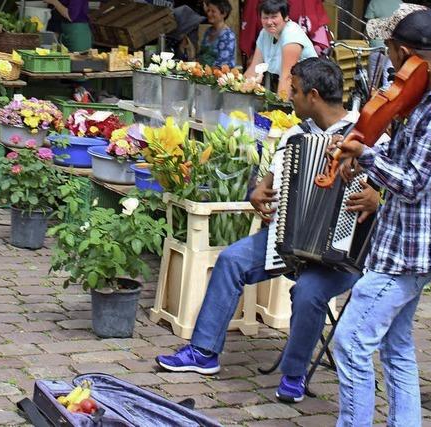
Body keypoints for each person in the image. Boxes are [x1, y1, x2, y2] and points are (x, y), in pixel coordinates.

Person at [156, 57, 383, 403]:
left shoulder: (368, 134)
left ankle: (293, 374)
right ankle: (203, 353)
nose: (288, 97)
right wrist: (256, 193)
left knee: (308, 292)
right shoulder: (295, 135)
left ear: (314, 95)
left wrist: (377, 198)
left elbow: (398, 190)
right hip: (287, 239)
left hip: (343, 254)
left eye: (294, 91)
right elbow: (268, 184)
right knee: (232, 260)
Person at [330, 4, 431, 425]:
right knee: (395, 347)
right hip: (399, 243)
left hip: (413, 252)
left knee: (351, 343)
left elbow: (413, 181)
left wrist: (368, 156)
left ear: (407, 51)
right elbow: (400, 151)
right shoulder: (423, 95)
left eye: (391, 51)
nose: (390, 64)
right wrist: (359, 150)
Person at [244, 0, 317, 98]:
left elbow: (286, 77)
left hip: (310, 91)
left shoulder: (291, 34)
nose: (269, 22)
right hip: (294, 88)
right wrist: (239, 87)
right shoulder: (264, 33)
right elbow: (254, 68)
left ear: (286, 17)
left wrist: (279, 108)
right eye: (265, 17)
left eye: (274, 17)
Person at [197, 0, 236, 67]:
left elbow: (222, 64)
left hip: (219, 75)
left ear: (224, 14)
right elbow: (201, 55)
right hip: (203, 73)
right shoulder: (208, 31)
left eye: (213, 11)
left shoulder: (228, 36)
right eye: (208, 10)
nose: (209, 14)